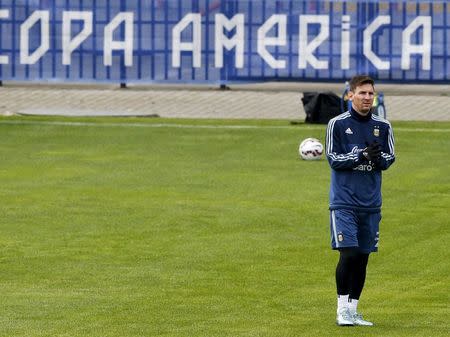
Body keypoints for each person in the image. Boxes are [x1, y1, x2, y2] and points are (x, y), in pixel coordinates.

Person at [325, 75, 395, 326]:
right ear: (350, 95)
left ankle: (354, 310)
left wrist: (377, 159)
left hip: (371, 203)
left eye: (370, 94)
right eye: (362, 93)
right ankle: (342, 309)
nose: (367, 98)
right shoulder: (337, 124)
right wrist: (360, 155)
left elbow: (390, 158)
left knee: (363, 256)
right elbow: (333, 159)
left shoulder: (383, 125)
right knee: (350, 253)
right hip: (344, 202)